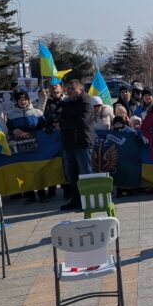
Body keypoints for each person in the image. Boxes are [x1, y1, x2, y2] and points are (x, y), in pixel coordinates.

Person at [58, 79, 95, 211]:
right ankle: (76, 200)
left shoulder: (86, 102)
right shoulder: (66, 103)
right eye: (68, 89)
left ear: (80, 89)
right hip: (68, 144)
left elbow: (82, 122)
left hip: (82, 143)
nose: (69, 91)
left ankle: (89, 201)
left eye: (72, 89)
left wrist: (65, 124)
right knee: (71, 174)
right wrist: (65, 123)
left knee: (85, 173)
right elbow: (61, 120)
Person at [5, 90, 47, 202]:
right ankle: (30, 195)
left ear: (28, 100)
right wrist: (14, 130)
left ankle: (41, 193)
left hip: (36, 147)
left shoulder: (37, 112)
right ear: (17, 101)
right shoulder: (11, 115)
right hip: (20, 148)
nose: (23, 102)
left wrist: (34, 132)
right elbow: (8, 130)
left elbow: (44, 127)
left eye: (25, 99)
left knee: (37, 170)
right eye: (20, 100)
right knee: (24, 171)